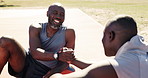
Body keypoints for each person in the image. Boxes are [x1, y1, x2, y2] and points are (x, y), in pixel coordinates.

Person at [50, 15, 148, 78]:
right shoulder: (139, 55)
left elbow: (105, 69)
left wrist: (54, 74)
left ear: (110, 36)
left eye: (103, 35)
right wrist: (73, 60)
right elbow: (103, 67)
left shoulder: (119, 66)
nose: (102, 40)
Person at [0, 3, 75, 78]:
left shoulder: (69, 32)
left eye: (62, 14)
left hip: (45, 70)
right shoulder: (36, 27)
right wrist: (57, 56)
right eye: (55, 13)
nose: (58, 16)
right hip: (26, 63)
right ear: (47, 14)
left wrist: (52, 72)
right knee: (6, 40)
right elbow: (35, 53)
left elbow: (67, 60)